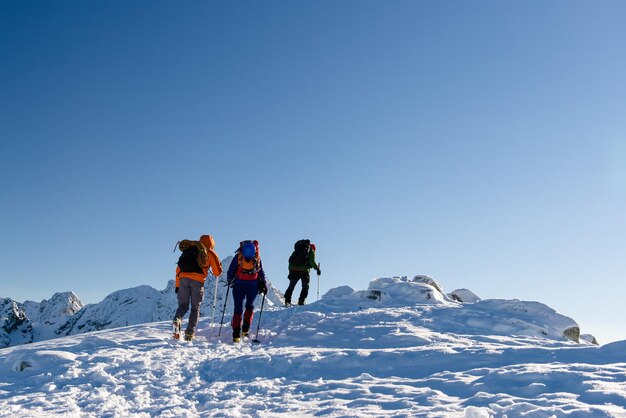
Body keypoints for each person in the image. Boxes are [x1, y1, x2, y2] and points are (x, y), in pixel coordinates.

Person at [173, 234, 222, 341]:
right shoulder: (209, 252)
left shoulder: (189, 249)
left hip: (183, 279)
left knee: (183, 305)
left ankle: (177, 320)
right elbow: (217, 272)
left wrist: (177, 285)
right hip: (198, 282)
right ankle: (189, 333)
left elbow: (178, 269)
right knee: (195, 308)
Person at [227, 240, 268, 342]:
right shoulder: (257, 257)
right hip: (253, 286)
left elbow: (231, 270)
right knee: (250, 306)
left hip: (239, 284)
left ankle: (236, 335)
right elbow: (261, 271)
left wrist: (230, 279)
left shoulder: (238, 257)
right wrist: (264, 284)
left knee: (238, 308)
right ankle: (245, 330)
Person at [284, 239, 320, 306]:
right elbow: (312, 262)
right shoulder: (311, 251)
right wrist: (317, 269)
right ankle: (301, 301)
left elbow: (290, 261)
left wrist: (290, 270)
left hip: (293, 270)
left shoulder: (296, 251)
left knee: (291, 286)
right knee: (305, 286)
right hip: (304, 271)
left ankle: (287, 301)